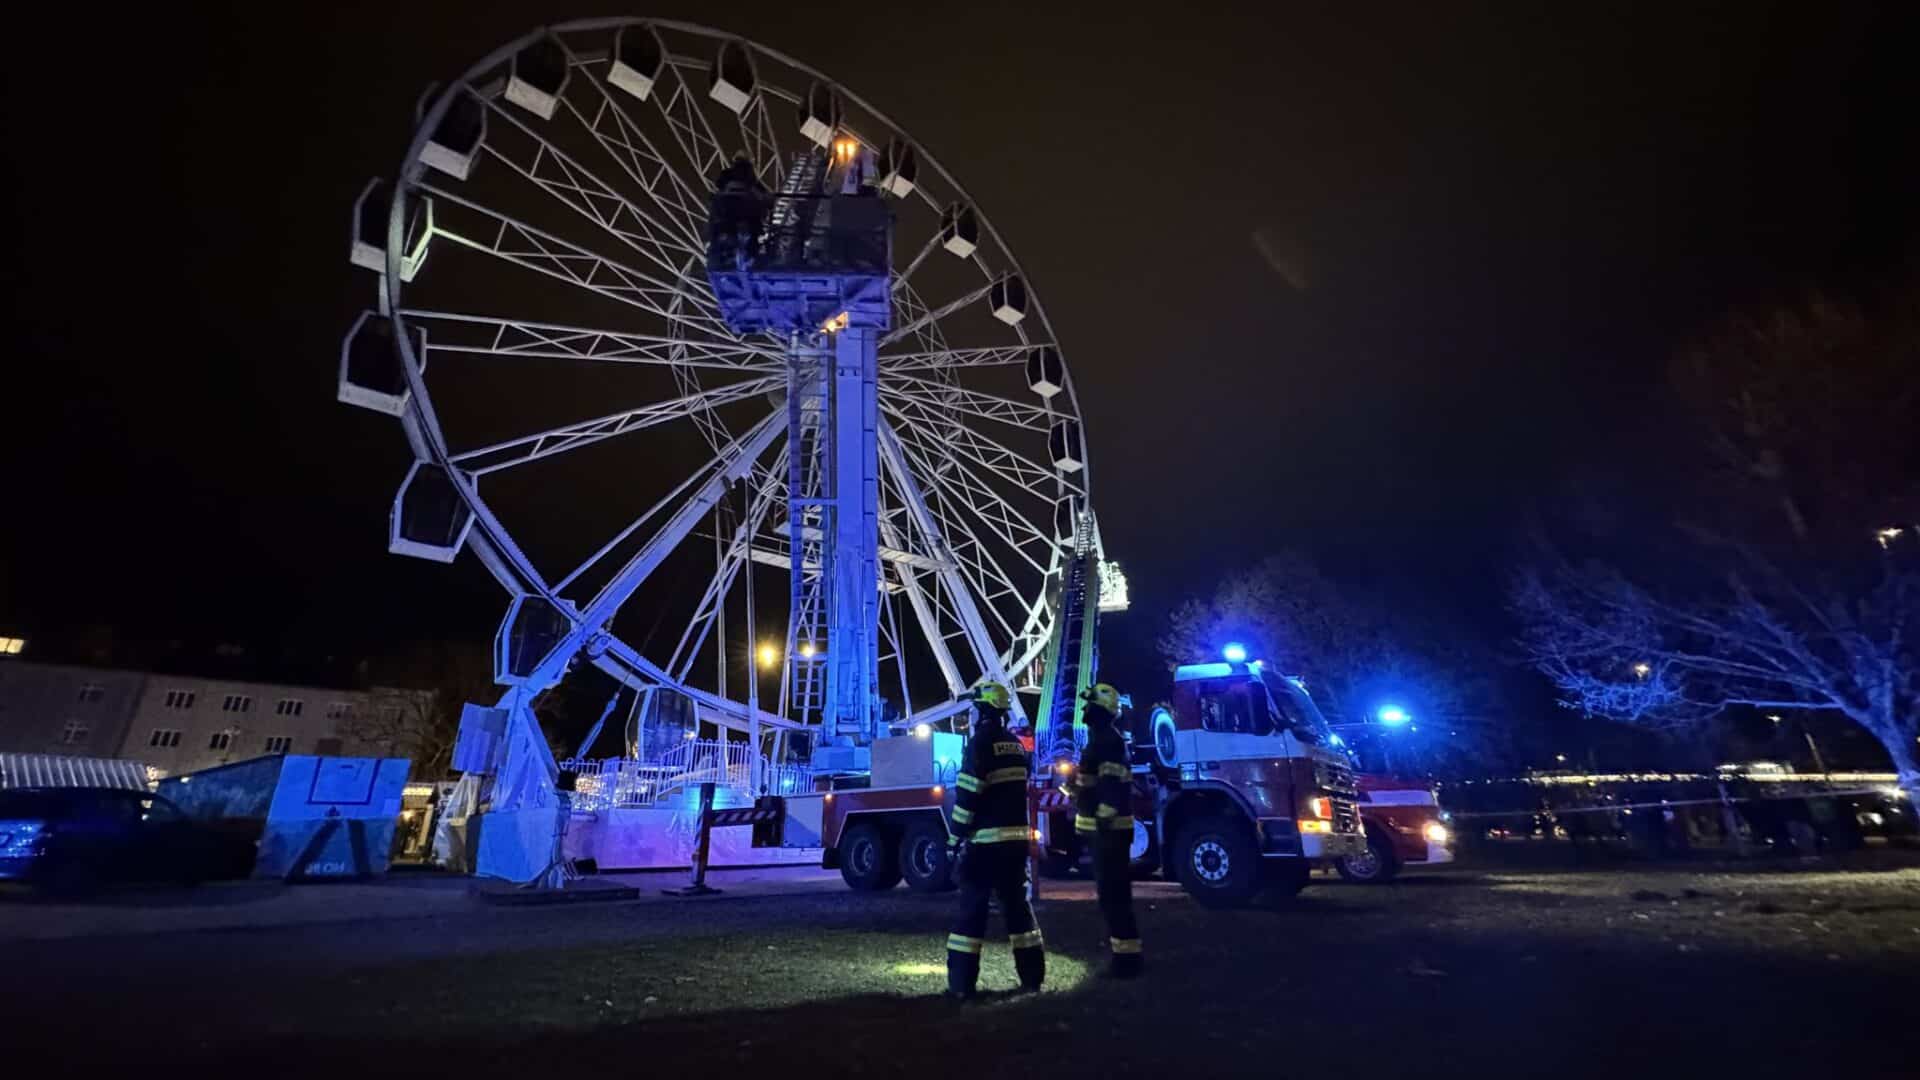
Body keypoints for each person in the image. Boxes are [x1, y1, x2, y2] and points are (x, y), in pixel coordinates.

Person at [945, 680, 1044, 1000]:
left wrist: (954, 837)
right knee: (1019, 913)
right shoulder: (1015, 746)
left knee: (972, 913)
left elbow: (968, 795)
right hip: (1016, 844)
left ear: (983, 710)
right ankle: (1032, 979)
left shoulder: (979, 744)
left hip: (985, 845)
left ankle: (961, 986)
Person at [1075, 681, 1142, 977]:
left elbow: (1112, 787)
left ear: (1100, 710)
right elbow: (1095, 783)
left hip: (1109, 833)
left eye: (1088, 704)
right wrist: (1074, 789)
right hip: (1107, 832)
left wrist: (1101, 821)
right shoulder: (1101, 739)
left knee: (1114, 897)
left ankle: (1126, 962)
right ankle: (1124, 956)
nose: (1084, 709)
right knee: (1112, 897)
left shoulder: (1106, 740)